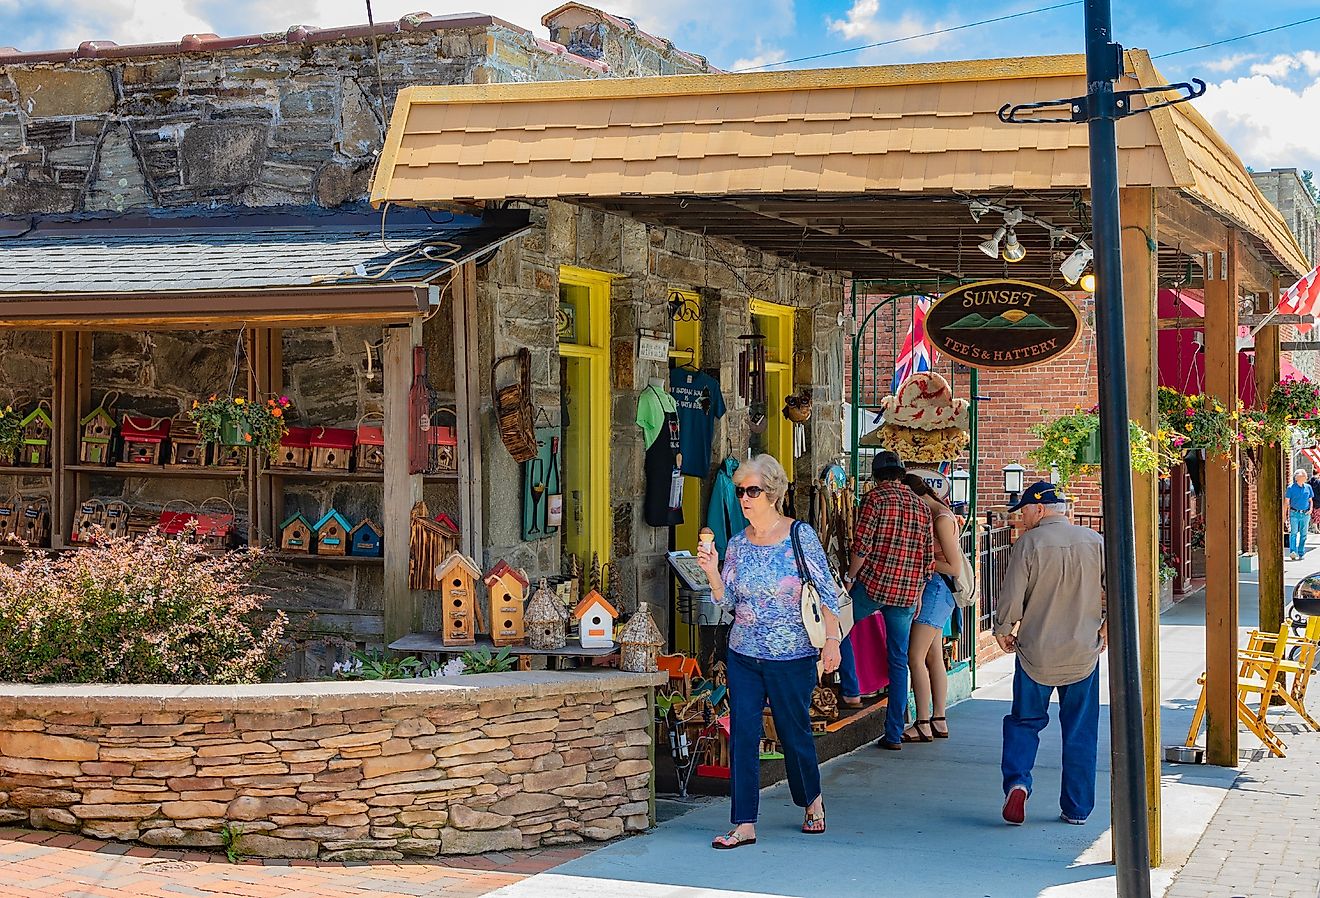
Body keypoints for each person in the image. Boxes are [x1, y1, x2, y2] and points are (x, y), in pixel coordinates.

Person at [696, 453, 842, 849]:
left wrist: (832, 640)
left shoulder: (800, 536)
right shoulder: (739, 545)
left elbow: (827, 592)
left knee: (794, 734)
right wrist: (711, 571)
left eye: (752, 490)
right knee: (743, 734)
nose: (744, 498)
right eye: (741, 491)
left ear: (772, 493)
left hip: (791, 655)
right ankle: (744, 822)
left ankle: (812, 801)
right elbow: (727, 603)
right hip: (744, 653)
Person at [994, 482, 1106, 827]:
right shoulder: (1095, 541)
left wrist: (1002, 629)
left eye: (1024, 511)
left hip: (1035, 653)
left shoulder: (1028, 543)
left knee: (1024, 723)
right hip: (1083, 651)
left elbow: (1013, 595)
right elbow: (1118, 588)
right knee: (1081, 731)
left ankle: (1018, 782)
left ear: (1040, 509)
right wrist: (1106, 630)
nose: (1021, 518)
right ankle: (1077, 808)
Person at [844, 450, 934, 751]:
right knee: (899, 660)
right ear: (901, 472)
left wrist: (850, 577)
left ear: (876, 475)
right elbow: (927, 559)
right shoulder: (921, 506)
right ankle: (894, 733)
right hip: (907, 592)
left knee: (838, 626)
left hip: (873, 585)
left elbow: (862, 545)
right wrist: (919, 592)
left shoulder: (875, 499)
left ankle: (851, 689)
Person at [900, 473, 962, 742]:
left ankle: (922, 721)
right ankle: (938, 718)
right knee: (933, 656)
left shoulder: (940, 519)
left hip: (937, 588)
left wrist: (923, 562)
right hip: (937, 589)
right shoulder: (939, 514)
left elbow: (954, 566)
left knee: (915, 656)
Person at [1287, 470, 1314, 561]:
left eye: (1305, 477)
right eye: (1302, 477)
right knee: (1293, 533)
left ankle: (1301, 552)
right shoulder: (1291, 488)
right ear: (1297, 478)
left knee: (1304, 534)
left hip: (1305, 514)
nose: (1305, 478)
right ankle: (1293, 552)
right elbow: (1287, 502)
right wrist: (1286, 515)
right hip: (1294, 513)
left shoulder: (1308, 487)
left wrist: (1310, 510)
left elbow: (1310, 500)